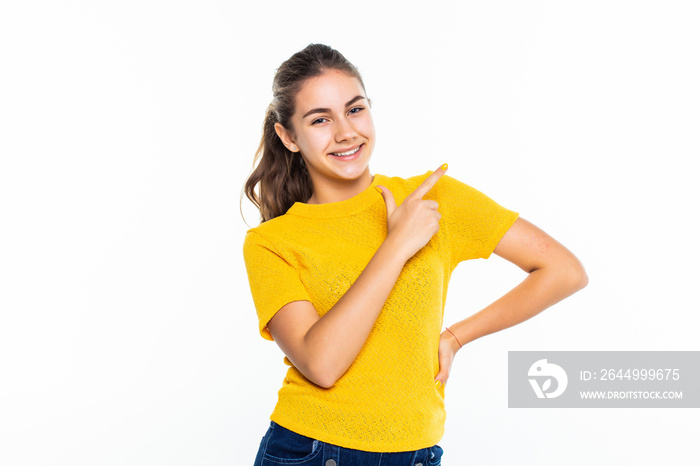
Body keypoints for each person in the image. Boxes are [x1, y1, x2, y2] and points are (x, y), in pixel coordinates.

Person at [242, 43, 587, 466]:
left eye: (355, 110)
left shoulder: (433, 199)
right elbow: (322, 364)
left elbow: (563, 270)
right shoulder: (272, 242)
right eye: (319, 120)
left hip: (417, 452)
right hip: (312, 450)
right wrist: (398, 245)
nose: (346, 132)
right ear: (288, 137)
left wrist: (457, 337)